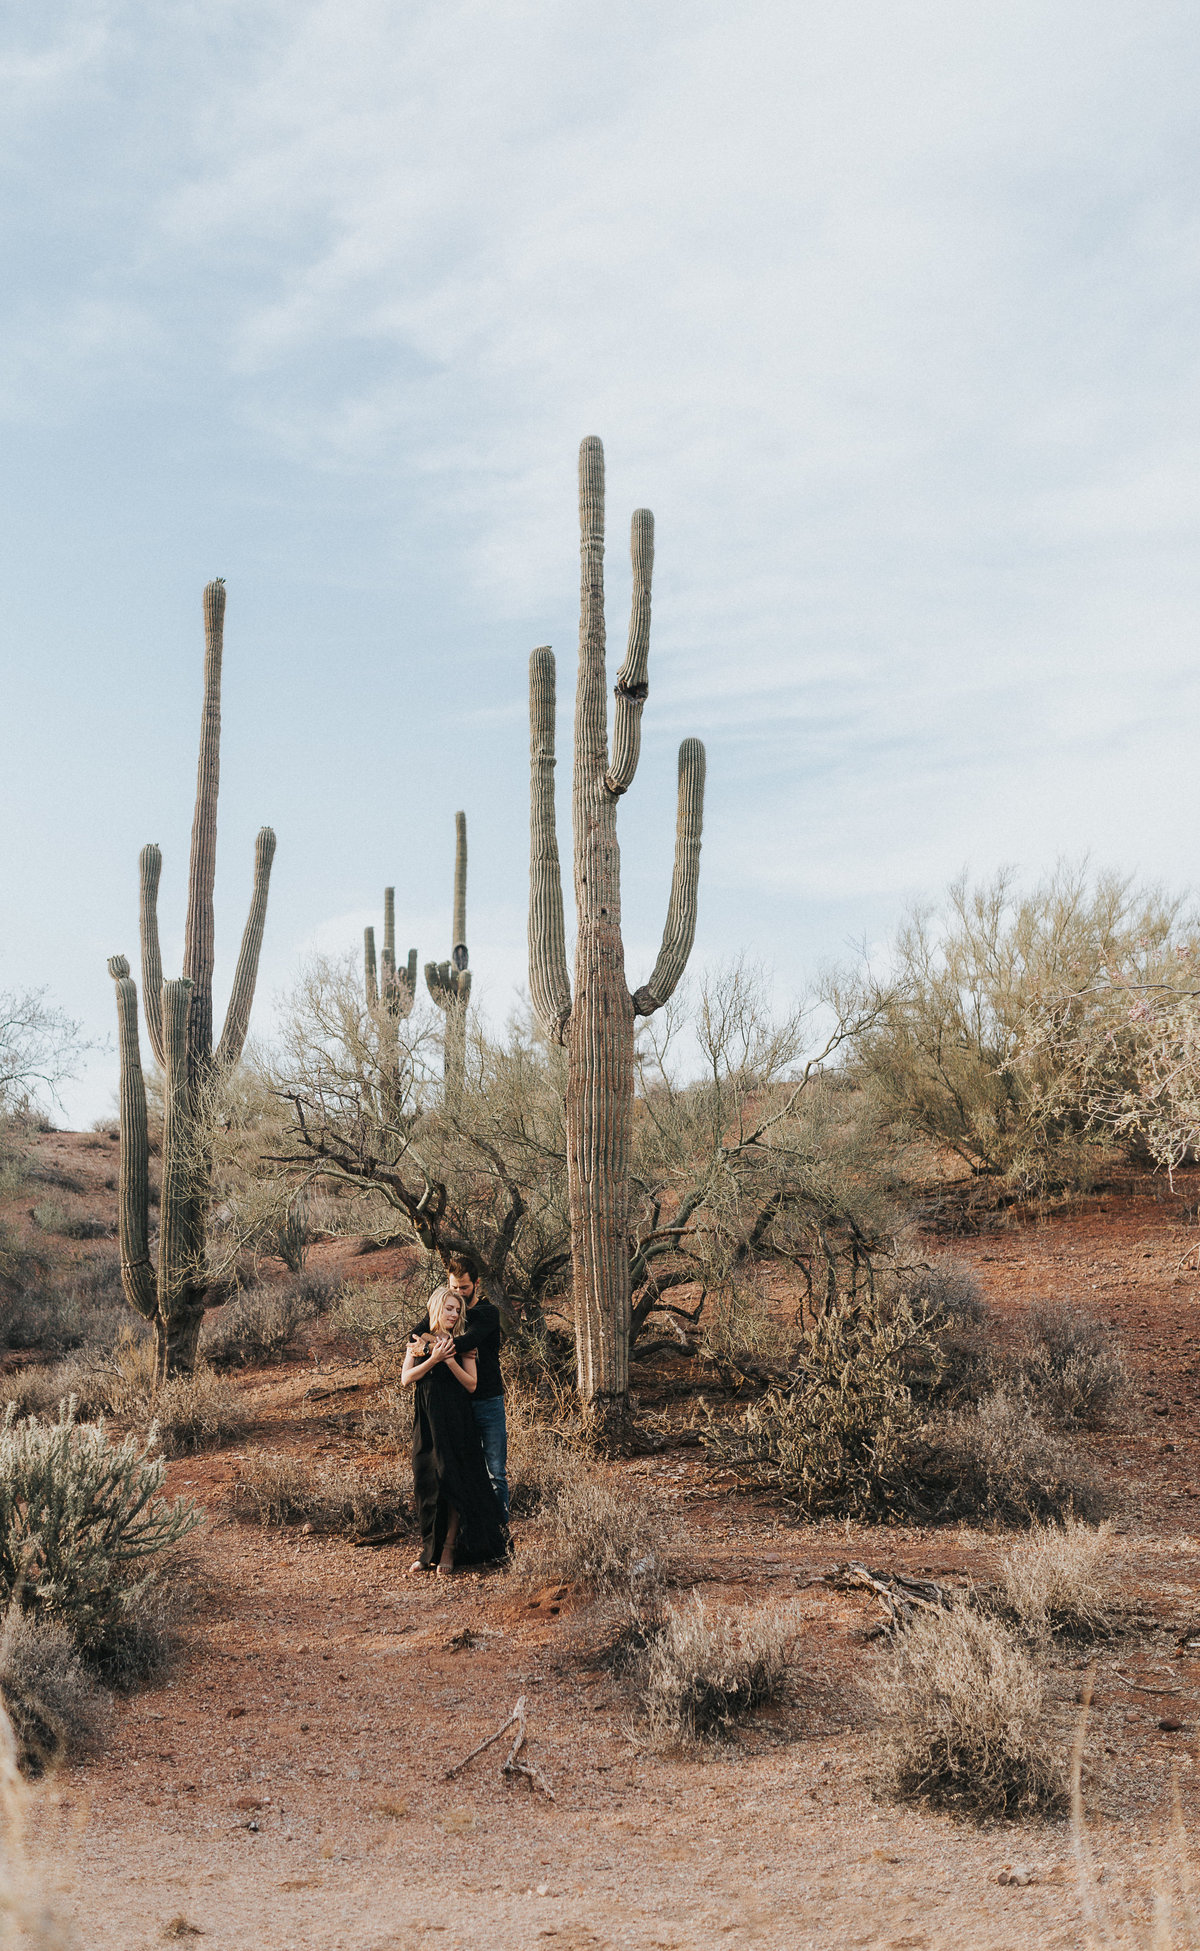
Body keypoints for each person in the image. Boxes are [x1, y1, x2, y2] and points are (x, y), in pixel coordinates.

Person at [401, 1285, 507, 1574]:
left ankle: (448, 1548)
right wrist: (433, 1359)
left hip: (456, 1417)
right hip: (425, 1420)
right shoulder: (418, 1340)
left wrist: (448, 1359)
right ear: (436, 1307)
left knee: (452, 1480)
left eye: (457, 1310)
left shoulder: (462, 1343)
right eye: (449, 1308)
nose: (453, 1314)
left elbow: (471, 1384)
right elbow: (406, 1378)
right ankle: (428, 1551)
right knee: (426, 1482)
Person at [412, 1256, 510, 1525]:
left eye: (464, 1288)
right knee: (463, 1472)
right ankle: (472, 1535)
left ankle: (500, 1534)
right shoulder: (450, 1308)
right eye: (453, 1288)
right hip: (457, 1404)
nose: (458, 1295)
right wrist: (432, 1343)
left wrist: (430, 1347)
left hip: (487, 1399)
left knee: (494, 1473)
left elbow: (468, 1340)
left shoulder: (487, 1313)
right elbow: (413, 1335)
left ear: (476, 1284)